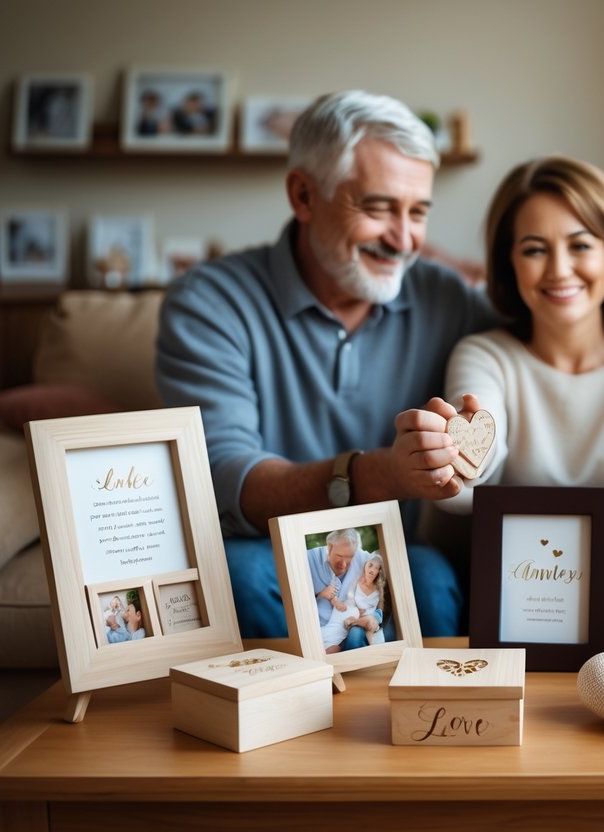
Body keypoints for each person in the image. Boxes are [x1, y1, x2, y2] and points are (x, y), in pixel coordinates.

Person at [156, 90, 497, 639]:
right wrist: (382, 473)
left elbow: (542, 340)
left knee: (429, 581)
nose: (405, 239)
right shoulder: (209, 300)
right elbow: (222, 474)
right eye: (380, 207)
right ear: (303, 194)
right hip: (258, 549)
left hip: (390, 547)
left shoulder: (447, 298)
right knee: (241, 578)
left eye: (418, 213)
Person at [439, 155, 604, 635]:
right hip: (515, 582)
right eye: (534, 249)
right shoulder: (484, 355)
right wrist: (459, 463)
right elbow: (471, 474)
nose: (559, 270)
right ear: (509, 262)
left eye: (580, 245)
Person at [307, 528, 378, 651]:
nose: (344, 564)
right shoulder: (308, 558)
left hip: (351, 624)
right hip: (319, 629)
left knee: (353, 636)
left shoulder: (365, 560)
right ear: (329, 547)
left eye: (349, 558)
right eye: (339, 556)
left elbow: (384, 561)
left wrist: (372, 615)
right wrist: (319, 594)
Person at [322, 552, 387, 652]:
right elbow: (349, 596)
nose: (372, 570)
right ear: (365, 565)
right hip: (352, 611)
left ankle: (353, 624)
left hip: (366, 616)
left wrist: (363, 616)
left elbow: (376, 610)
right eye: (370, 565)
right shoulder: (357, 580)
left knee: (370, 622)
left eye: (376, 568)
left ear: (379, 571)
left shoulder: (378, 589)